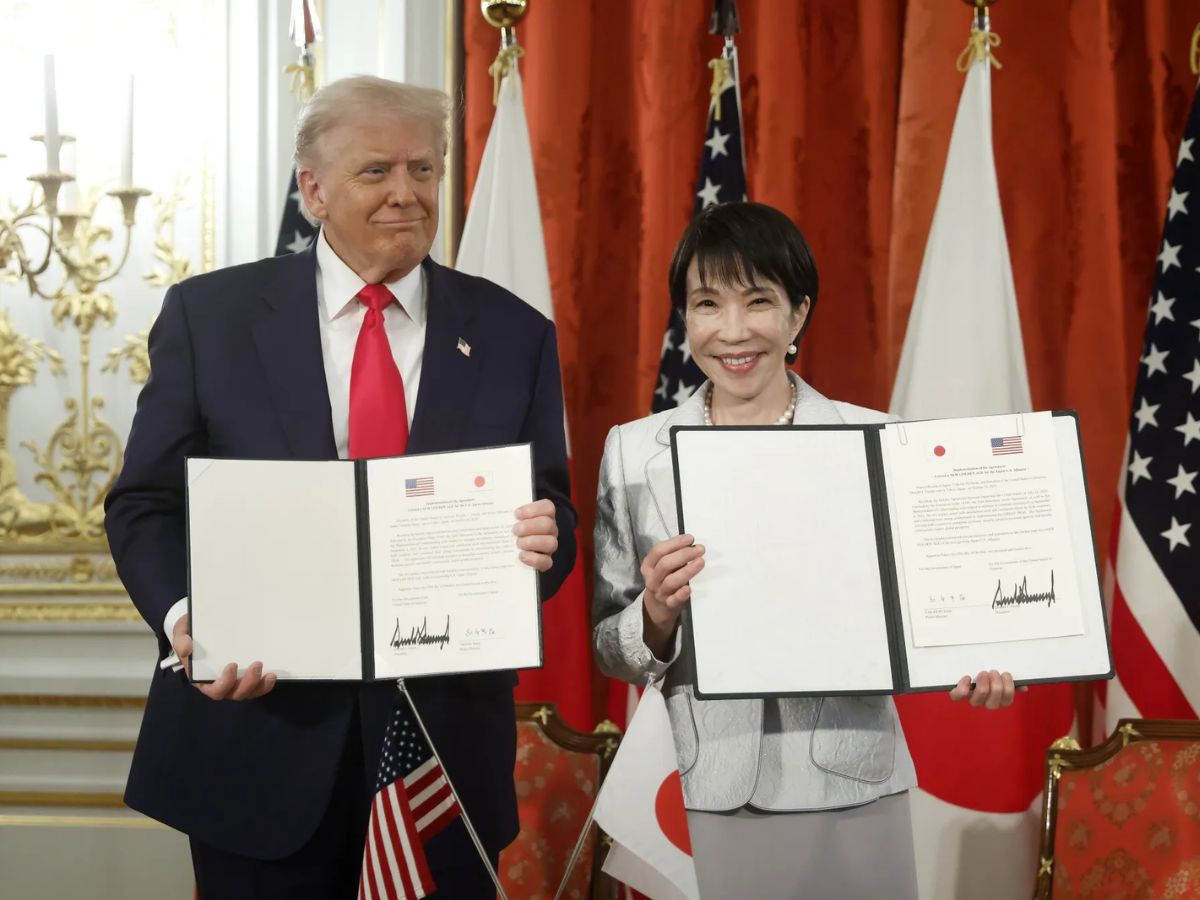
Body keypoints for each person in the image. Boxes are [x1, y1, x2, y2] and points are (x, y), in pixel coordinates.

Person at [105, 75, 576, 899]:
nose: (406, 193)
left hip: (442, 754)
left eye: (423, 170)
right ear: (313, 191)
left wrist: (548, 540)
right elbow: (144, 505)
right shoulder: (209, 318)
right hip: (257, 746)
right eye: (376, 171)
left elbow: (552, 511)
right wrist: (189, 621)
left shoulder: (514, 333)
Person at [592, 201, 1014, 899]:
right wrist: (656, 614)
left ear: (798, 315)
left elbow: (936, 609)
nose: (733, 330)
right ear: (685, 318)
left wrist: (980, 660)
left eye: (759, 301)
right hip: (699, 788)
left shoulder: (882, 441)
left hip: (852, 787)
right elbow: (610, 645)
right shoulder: (633, 452)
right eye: (707, 304)